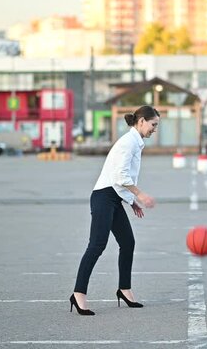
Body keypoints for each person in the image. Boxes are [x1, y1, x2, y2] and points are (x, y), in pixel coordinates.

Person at [70, 105, 160, 316]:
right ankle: (78, 293)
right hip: (103, 198)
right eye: (153, 124)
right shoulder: (128, 143)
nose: (154, 129)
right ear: (141, 122)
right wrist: (140, 195)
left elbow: (119, 179)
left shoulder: (135, 143)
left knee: (128, 242)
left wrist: (131, 201)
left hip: (114, 198)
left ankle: (124, 289)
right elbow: (120, 176)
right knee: (97, 245)